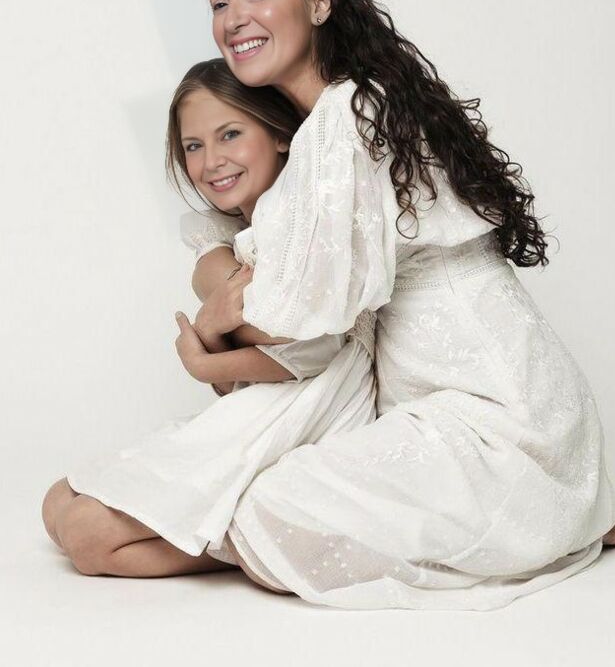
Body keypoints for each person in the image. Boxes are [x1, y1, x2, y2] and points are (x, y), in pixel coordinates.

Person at [184, 0, 615, 609]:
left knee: (265, 507)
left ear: (320, 2)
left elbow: (303, 316)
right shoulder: (357, 107)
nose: (234, 17)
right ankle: (555, 519)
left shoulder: (346, 116)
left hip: (496, 418)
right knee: (269, 501)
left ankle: (541, 525)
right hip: (513, 405)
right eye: (219, 3)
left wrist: (209, 340)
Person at [41, 58, 376, 578]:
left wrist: (206, 348)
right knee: (56, 504)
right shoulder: (231, 237)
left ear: (280, 135)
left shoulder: (306, 224)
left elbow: (314, 349)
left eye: (230, 135)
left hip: (318, 406)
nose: (212, 161)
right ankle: (215, 523)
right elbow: (238, 378)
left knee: (88, 537)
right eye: (194, 146)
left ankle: (248, 543)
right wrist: (213, 330)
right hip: (266, 402)